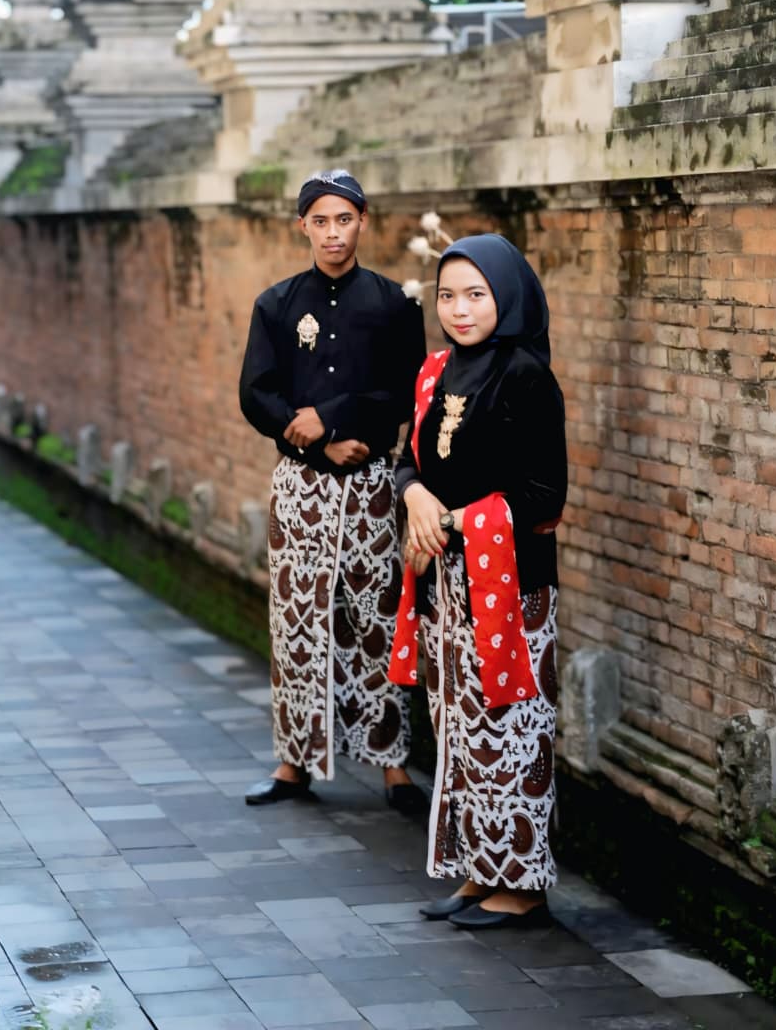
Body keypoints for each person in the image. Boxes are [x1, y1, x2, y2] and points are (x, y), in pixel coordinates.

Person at [390, 233, 567, 928]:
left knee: (510, 732)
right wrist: (414, 495)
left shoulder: (525, 376)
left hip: (511, 593)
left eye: (475, 295)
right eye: (447, 296)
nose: (459, 310)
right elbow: (408, 458)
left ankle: (520, 886)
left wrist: (456, 518)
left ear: (508, 297)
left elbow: (544, 497)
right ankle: (478, 870)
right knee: (458, 732)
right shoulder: (437, 370)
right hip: (446, 584)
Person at [239, 168, 428, 814]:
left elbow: (407, 393)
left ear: (363, 221)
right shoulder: (276, 304)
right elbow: (256, 394)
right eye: (319, 221)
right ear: (302, 226)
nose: (332, 233)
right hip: (301, 485)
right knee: (297, 621)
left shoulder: (396, 305)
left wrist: (335, 416)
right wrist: (318, 444)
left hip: (373, 484)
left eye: (343, 219)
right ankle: (293, 762)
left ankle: (393, 764)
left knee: (376, 617)